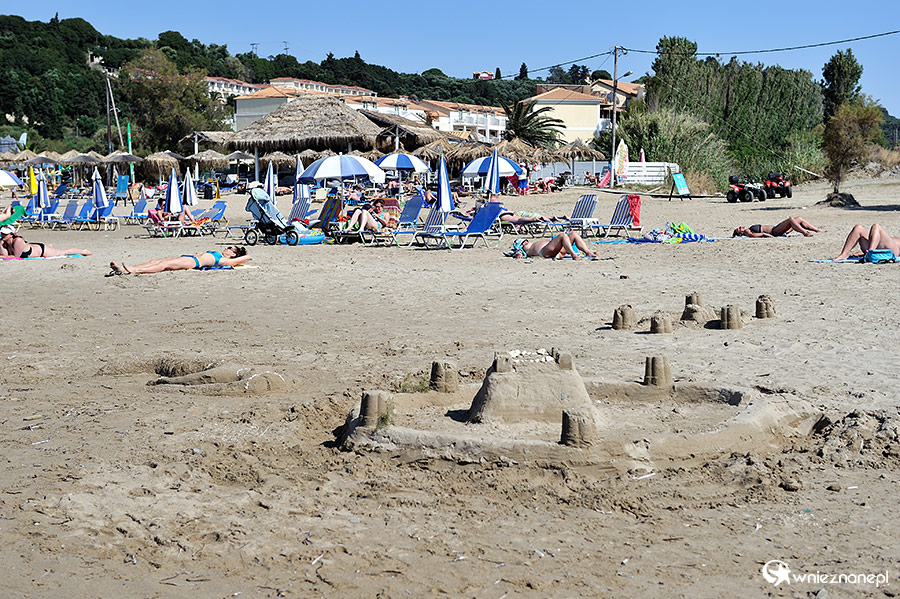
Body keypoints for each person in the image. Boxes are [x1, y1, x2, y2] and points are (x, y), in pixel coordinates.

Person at [108, 246, 250, 275]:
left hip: (193, 263)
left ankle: (135, 270)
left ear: (233, 254)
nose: (227, 247)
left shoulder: (224, 261)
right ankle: (125, 269)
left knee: (163, 265)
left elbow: (246, 258)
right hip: (188, 257)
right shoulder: (218, 253)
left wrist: (244, 255)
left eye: (231, 248)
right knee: (154, 260)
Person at [0, 225, 92, 258]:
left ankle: (83, 251)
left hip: (41, 251)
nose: (2, 235)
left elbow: (16, 257)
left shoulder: (18, 241)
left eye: (5, 234)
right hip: (35, 248)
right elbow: (4, 255)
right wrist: (1, 244)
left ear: (12, 234)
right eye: (2, 234)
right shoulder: (5, 243)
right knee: (54, 250)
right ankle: (50, 246)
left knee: (63, 252)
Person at [508, 232, 598, 260]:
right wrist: (518, 254)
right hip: (543, 252)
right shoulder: (522, 247)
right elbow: (518, 253)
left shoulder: (529, 243)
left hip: (553, 249)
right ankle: (574, 255)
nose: (525, 242)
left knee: (573, 234)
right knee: (562, 235)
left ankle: (588, 252)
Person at [834, 223, 900, 261]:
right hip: (878, 245)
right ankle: (843, 254)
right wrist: (861, 253)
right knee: (858, 228)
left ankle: (870, 253)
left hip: (893, 250)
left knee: (876, 226)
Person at [732, 216, 824, 238]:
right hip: (774, 231)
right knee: (790, 219)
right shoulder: (748, 232)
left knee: (798, 219)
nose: (740, 227)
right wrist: (767, 235)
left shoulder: (748, 228)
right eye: (739, 229)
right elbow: (754, 235)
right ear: (740, 233)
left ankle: (817, 230)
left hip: (777, 229)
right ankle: (805, 233)